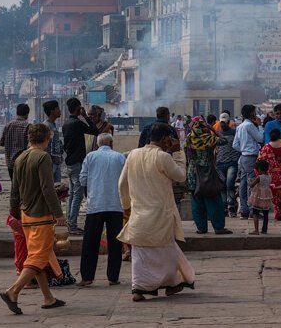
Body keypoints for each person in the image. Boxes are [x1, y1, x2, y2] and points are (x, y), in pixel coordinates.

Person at [118, 123, 195, 302]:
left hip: (139, 215)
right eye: (170, 137)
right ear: (164, 139)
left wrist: (126, 206)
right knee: (166, 252)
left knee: (140, 256)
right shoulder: (163, 157)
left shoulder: (133, 154)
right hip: (161, 215)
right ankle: (171, 284)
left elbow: (122, 183)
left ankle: (138, 288)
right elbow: (181, 176)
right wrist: (177, 153)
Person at [1, 123, 67, 315]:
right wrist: (59, 214)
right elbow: (48, 189)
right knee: (38, 257)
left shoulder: (20, 158)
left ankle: (48, 298)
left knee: (37, 256)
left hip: (26, 215)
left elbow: (14, 191)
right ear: (46, 138)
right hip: (42, 216)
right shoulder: (43, 157)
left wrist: (14, 213)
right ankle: (13, 291)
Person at [78, 133, 126, 287]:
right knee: (115, 243)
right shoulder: (119, 157)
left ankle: (87, 276)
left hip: (95, 205)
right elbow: (126, 179)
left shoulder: (90, 157)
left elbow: (82, 179)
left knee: (90, 242)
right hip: (115, 205)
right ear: (111, 144)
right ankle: (113, 277)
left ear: (98, 144)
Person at [185, 118, 232, 234]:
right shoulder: (209, 139)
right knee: (214, 200)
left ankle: (201, 228)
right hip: (208, 172)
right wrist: (214, 130)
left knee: (197, 201)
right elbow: (224, 140)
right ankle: (218, 227)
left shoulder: (189, 139)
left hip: (193, 173)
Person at [62, 97, 99, 235]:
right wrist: (86, 117)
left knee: (72, 193)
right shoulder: (77, 123)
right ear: (78, 108)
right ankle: (72, 224)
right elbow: (95, 131)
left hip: (70, 162)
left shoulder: (66, 124)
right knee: (78, 195)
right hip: (77, 163)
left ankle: (69, 221)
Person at [138, 106, 184, 209]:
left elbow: (140, 147)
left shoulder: (147, 128)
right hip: (165, 165)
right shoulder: (170, 129)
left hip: (147, 165)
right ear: (167, 116)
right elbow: (175, 148)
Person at [234, 104, 264, 219]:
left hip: (243, 157)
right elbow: (260, 139)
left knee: (243, 183)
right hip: (251, 156)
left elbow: (235, 145)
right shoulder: (250, 126)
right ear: (251, 113)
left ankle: (244, 209)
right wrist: (260, 126)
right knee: (251, 183)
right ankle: (252, 210)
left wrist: (243, 149)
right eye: (254, 112)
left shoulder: (240, 126)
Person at [214, 113, 239, 218]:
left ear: (228, 122)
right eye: (221, 122)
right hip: (220, 163)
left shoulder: (234, 132)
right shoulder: (217, 133)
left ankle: (231, 207)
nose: (223, 124)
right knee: (223, 186)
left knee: (229, 184)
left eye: (225, 122)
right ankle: (224, 208)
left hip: (232, 162)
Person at [0, 104, 31, 180]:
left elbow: (1, 143)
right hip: (23, 163)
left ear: (17, 113)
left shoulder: (7, 125)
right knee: (23, 187)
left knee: (14, 186)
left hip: (10, 163)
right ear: (27, 114)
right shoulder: (28, 126)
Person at [248, 159, 274, 234]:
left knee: (255, 213)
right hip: (266, 197)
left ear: (259, 169)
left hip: (258, 197)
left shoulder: (259, 177)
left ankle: (256, 230)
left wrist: (250, 181)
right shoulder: (269, 177)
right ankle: (264, 229)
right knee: (266, 214)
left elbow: (252, 185)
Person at [42, 100, 63, 183]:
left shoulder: (53, 125)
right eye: (57, 108)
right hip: (50, 162)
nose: (60, 111)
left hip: (56, 161)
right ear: (52, 111)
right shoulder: (46, 126)